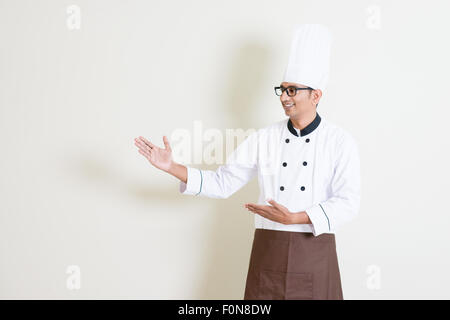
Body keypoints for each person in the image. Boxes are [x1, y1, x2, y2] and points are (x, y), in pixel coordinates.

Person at [134, 24, 360, 300]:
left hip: (314, 251)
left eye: (293, 91)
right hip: (269, 249)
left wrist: (295, 218)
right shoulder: (264, 138)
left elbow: (348, 202)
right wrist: (172, 167)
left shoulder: (339, 141)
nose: (284, 98)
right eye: (282, 90)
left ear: (316, 95)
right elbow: (222, 182)